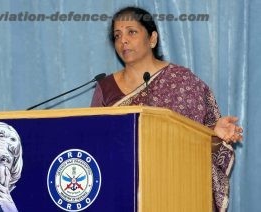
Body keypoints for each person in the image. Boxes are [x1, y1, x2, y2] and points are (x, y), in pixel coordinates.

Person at [91, 6, 243, 212]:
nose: (123, 40)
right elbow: (94, 144)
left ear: (152, 39)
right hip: (121, 192)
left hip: (176, 191)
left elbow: (201, 146)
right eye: (117, 35)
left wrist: (215, 136)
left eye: (131, 32)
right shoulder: (105, 88)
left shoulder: (183, 82)